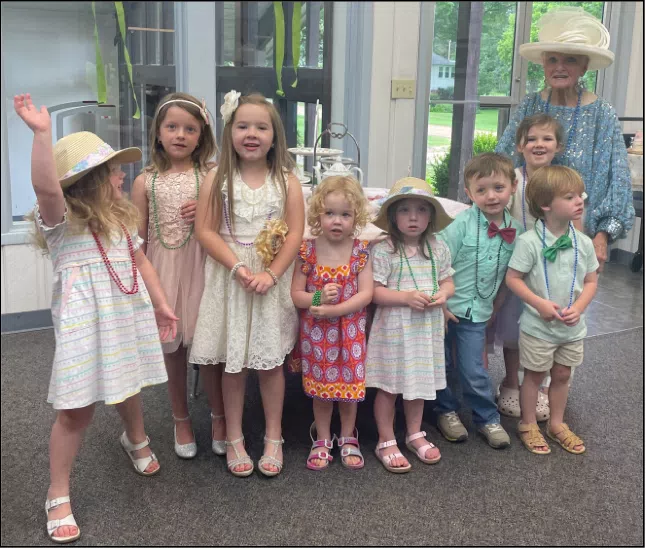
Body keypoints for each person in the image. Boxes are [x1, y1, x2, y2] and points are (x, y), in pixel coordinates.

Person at [14, 93, 177, 543]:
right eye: (112, 172)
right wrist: (42, 134)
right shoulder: (61, 223)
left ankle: (135, 438)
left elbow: (141, 263)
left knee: (128, 383)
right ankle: (58, 490)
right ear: (88, 182)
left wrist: (161, 303)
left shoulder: (121, 222)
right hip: (83, 330)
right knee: (75, 411)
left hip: (125, 318)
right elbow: (47, 189)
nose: (122, 176)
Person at [189, 91, 304, 477]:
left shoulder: (287, 181)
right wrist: (237, 266)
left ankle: (273, 436)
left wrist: (272, 274)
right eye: (242, 126)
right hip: (230, 277)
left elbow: (295, 233)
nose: (251, 134)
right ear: (229, 132)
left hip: (270, 279)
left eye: (261, 127)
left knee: (270, 365)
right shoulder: (216, 178)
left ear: (274, 136)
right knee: (233, 362)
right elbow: (205, 231)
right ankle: (234, 436)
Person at [496, 7, 634, 273]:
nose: (559, 67)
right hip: (523, 233)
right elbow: (502, 161)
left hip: (576, 235)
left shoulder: (602, 113)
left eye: (570, 60)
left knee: (567, 296)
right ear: (544, 64)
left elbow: (618, 180)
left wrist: (603, 235)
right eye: (552, 59)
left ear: (584, 66)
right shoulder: (530, 105)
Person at [131, 93, 226, 460]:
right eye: (172, 127)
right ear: (158, 132)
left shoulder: (211, 175)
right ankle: (180, 418)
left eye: (190, 129)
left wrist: (206, 208)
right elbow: (137, 238)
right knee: (173, 348)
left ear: (201, 136)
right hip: (164, 270)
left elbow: (226, 221)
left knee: (209, 347)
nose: (180, 135)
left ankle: (219, 417)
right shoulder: (146, 181)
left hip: (203, 266)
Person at [506, 166, 598, 454]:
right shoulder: (529, 242)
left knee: (561, 375)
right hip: (538, 327)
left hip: (572, 329)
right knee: (533, 375)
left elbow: (591, 281)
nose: (579, 201)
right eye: (569, 197)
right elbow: (513, 278)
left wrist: (579, 307)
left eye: (580, 195)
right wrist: (539, 304)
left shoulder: (584, 242)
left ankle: (557, 423)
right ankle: (528, 423)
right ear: (546, 205)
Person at [366, 177, 455, 473]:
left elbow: (448, 281)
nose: (413, 217)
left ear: (431, 216)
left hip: (425, 330)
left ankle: (414, 433)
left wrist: (444, 294)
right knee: (389, 387)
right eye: (404, 210)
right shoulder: (385, 250)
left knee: (419, 385)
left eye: (421, 210)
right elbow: (374, 292)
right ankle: (385, 439)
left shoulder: (438, 248)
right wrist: (405, 297)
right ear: (393, 216)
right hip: (394, 330)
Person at [435, 153, 522, 449]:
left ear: (513, 186)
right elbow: (438, 265)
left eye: (498, 187)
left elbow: (510, 275)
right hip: (445, 307)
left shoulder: (517, 231)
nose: (491, 196)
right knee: (442, 364)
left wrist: (495, 308)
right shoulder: (459, 225)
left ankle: (487, 417)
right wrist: (441, 306)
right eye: (481, 190)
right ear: (469, 193)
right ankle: (445, 411)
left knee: (473, 369)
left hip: (478, 312)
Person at [290, 176, 373, 471]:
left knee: (349, 391)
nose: (337, 221)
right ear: (317, 214)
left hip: (349, 334)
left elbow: (366, 294)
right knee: (322, 392)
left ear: (356, 217)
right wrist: (318, 298)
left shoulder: (360, 251)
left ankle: (348, 436)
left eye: (345, 214)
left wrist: (336, 310)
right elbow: (296, 295)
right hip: (318, 336)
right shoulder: (307, 251)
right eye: (329, 213)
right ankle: (323, 437)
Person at [490, 113, 568, 422]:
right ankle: (511, 380)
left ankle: (543, 384)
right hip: (517, 264)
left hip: (553, 266)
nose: (539, 144)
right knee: (514, 324)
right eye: (531, 138)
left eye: (547, 138)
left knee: (549, 323)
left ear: (558, 146)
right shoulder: (513, 180)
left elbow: (576, 219)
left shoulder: (563, 180)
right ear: (519, 145)